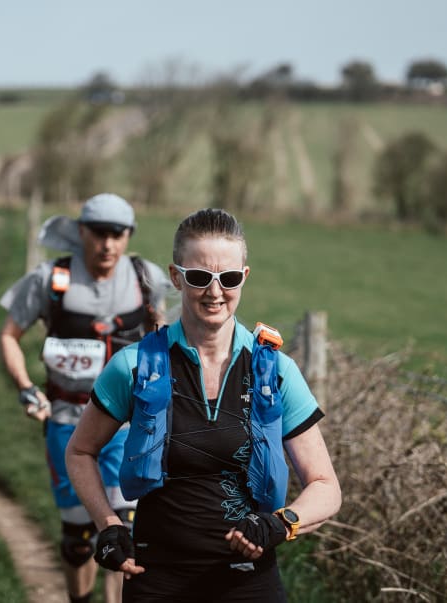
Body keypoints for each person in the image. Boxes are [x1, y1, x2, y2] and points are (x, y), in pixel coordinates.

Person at [66, 208, 341, 603]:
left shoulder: (275, 371)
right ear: (176, 276)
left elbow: (326, 486)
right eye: (199, 277)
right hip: (156, 578)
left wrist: (282, 523)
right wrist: (108, 525)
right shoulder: (134, 365)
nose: (215, 292)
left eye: (228, 278)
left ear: (244, 277)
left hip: (249, 581)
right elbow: (80, 451)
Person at [0, 193, 172, 603]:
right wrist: (26, 386)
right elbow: (9, 335)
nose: (108, 244)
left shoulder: (145, 278)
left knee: (122, 533)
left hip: (127, 426)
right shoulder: (50, 278)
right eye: (99, 233)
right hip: (68, 421)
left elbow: (162, 338)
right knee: (77, 540)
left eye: (118, 234)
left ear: (129, 235)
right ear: (81, 232)